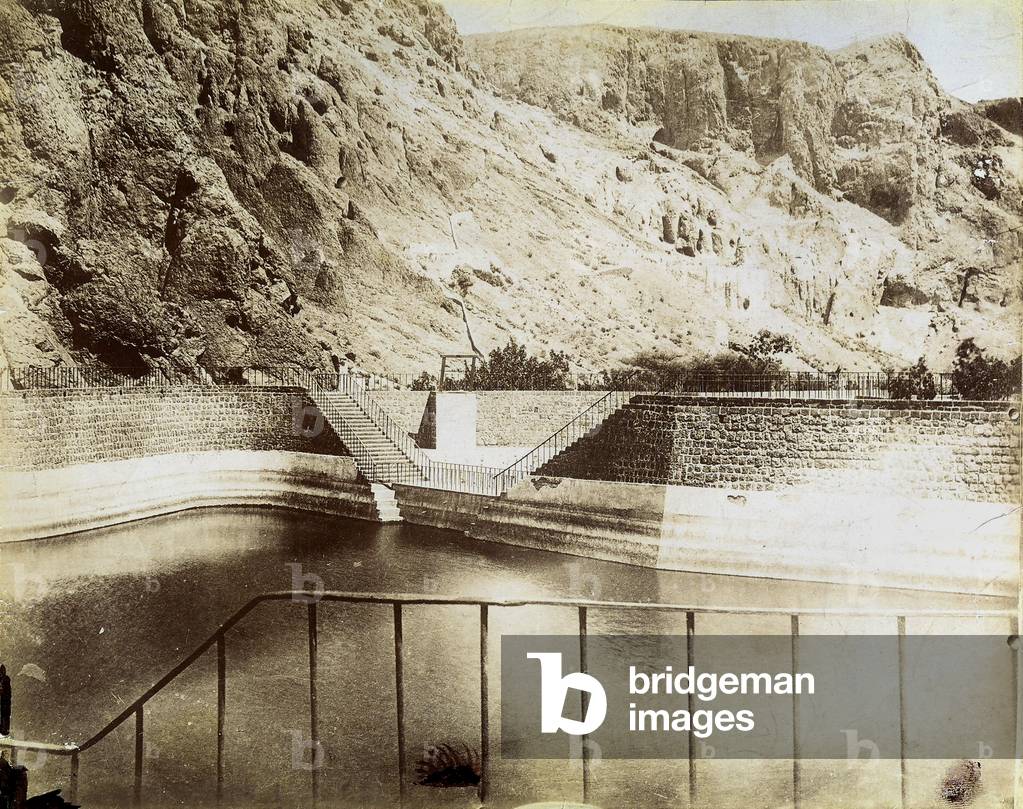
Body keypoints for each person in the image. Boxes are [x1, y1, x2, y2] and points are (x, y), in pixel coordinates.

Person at [0, 664, 10, 737]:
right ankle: (4, 729)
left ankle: (4, 729)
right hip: (5, 702)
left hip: (4, 702)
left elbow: (7, 692)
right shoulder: (6, 679)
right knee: (5, 715)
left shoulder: (6, 679)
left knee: (4, 715)